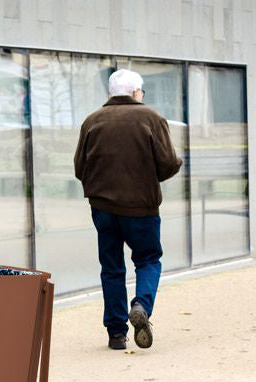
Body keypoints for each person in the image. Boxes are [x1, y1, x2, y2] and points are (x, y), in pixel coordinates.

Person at [73, 69, 182, 350]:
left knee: (111, 268)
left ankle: (116, 334)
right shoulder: (151, 118)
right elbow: (168, 164)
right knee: (147, 259)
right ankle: (141, 304)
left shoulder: (92, 121)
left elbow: (79, 168)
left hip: (103, 209)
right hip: (141, 208)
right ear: (136, 93)